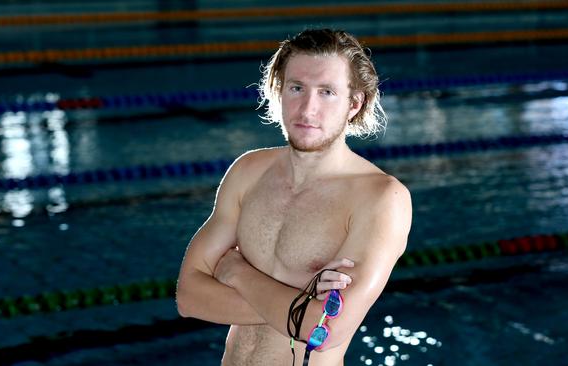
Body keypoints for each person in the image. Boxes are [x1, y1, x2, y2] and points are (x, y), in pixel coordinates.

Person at [176, 28, 412, 366]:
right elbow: (189, 297)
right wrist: (301, 304)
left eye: (327, 92)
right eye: (297, 88)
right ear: (280, 91)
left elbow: (325, 332)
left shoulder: (381, 198)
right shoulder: (248, 171)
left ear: (354, 103)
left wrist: (236, 272)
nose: (307, 109)